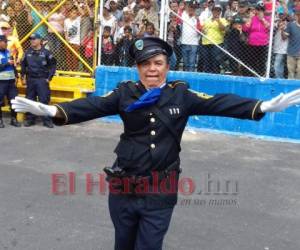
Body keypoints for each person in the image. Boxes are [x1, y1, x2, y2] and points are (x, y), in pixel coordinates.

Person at [11, 37, 300, 250]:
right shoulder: (126, 92)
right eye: (145, 64)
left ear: (167, 67)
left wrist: (262, 106)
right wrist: (55, 111)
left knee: (149, 246)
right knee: (123, 244)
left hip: (160, 189)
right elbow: (94, 105)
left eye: (158, 63)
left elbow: (218, 102)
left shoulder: (180, 94)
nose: (152, 69)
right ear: (137, 68)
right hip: (123, 187)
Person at [20, 33, 56, 128]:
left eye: (34, 39)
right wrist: (22, 77)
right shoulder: (27, 53)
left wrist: (49, 78)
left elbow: (53, 66)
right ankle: (30, 119)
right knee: (30, 100)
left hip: (42, 80)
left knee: (44, 99)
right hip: (31, 80)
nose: (32, 41)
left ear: (40, 40)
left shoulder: (47, 53)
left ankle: (47, 120)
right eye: (31, 39)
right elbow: (23, 66)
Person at [0, 34, 20, 128]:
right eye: (5, 42)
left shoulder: (8, 52)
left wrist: (16, 75)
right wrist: (6, 63)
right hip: (1, 82)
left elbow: (12, 65)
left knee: (13, 100)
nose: (6, 44)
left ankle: (13, 119)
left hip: (11, 81)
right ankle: (0, 121)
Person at [282, 6, 300, 79]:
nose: (296, 16)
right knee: (291, 73)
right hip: (291, 53)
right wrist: (282, 30)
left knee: (299, 72)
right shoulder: (291, 25)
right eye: (296, 15)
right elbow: (284, 38)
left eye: (298, 15)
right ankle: (290, 88)